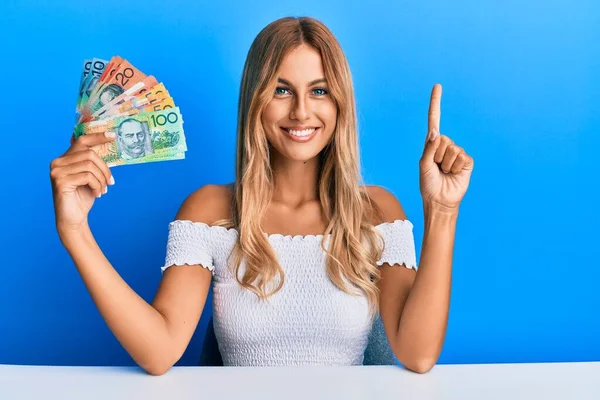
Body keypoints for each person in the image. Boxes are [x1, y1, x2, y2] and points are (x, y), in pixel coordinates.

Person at [50, 17, 474, 375]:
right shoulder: (208, 211)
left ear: (341, 104)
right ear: (256, 101)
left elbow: (418, 355)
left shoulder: (377, 211)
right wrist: (75, 232)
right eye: (282, 89)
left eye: (320, 91)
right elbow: (160, 351)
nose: (302, 112)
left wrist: (442, 211)